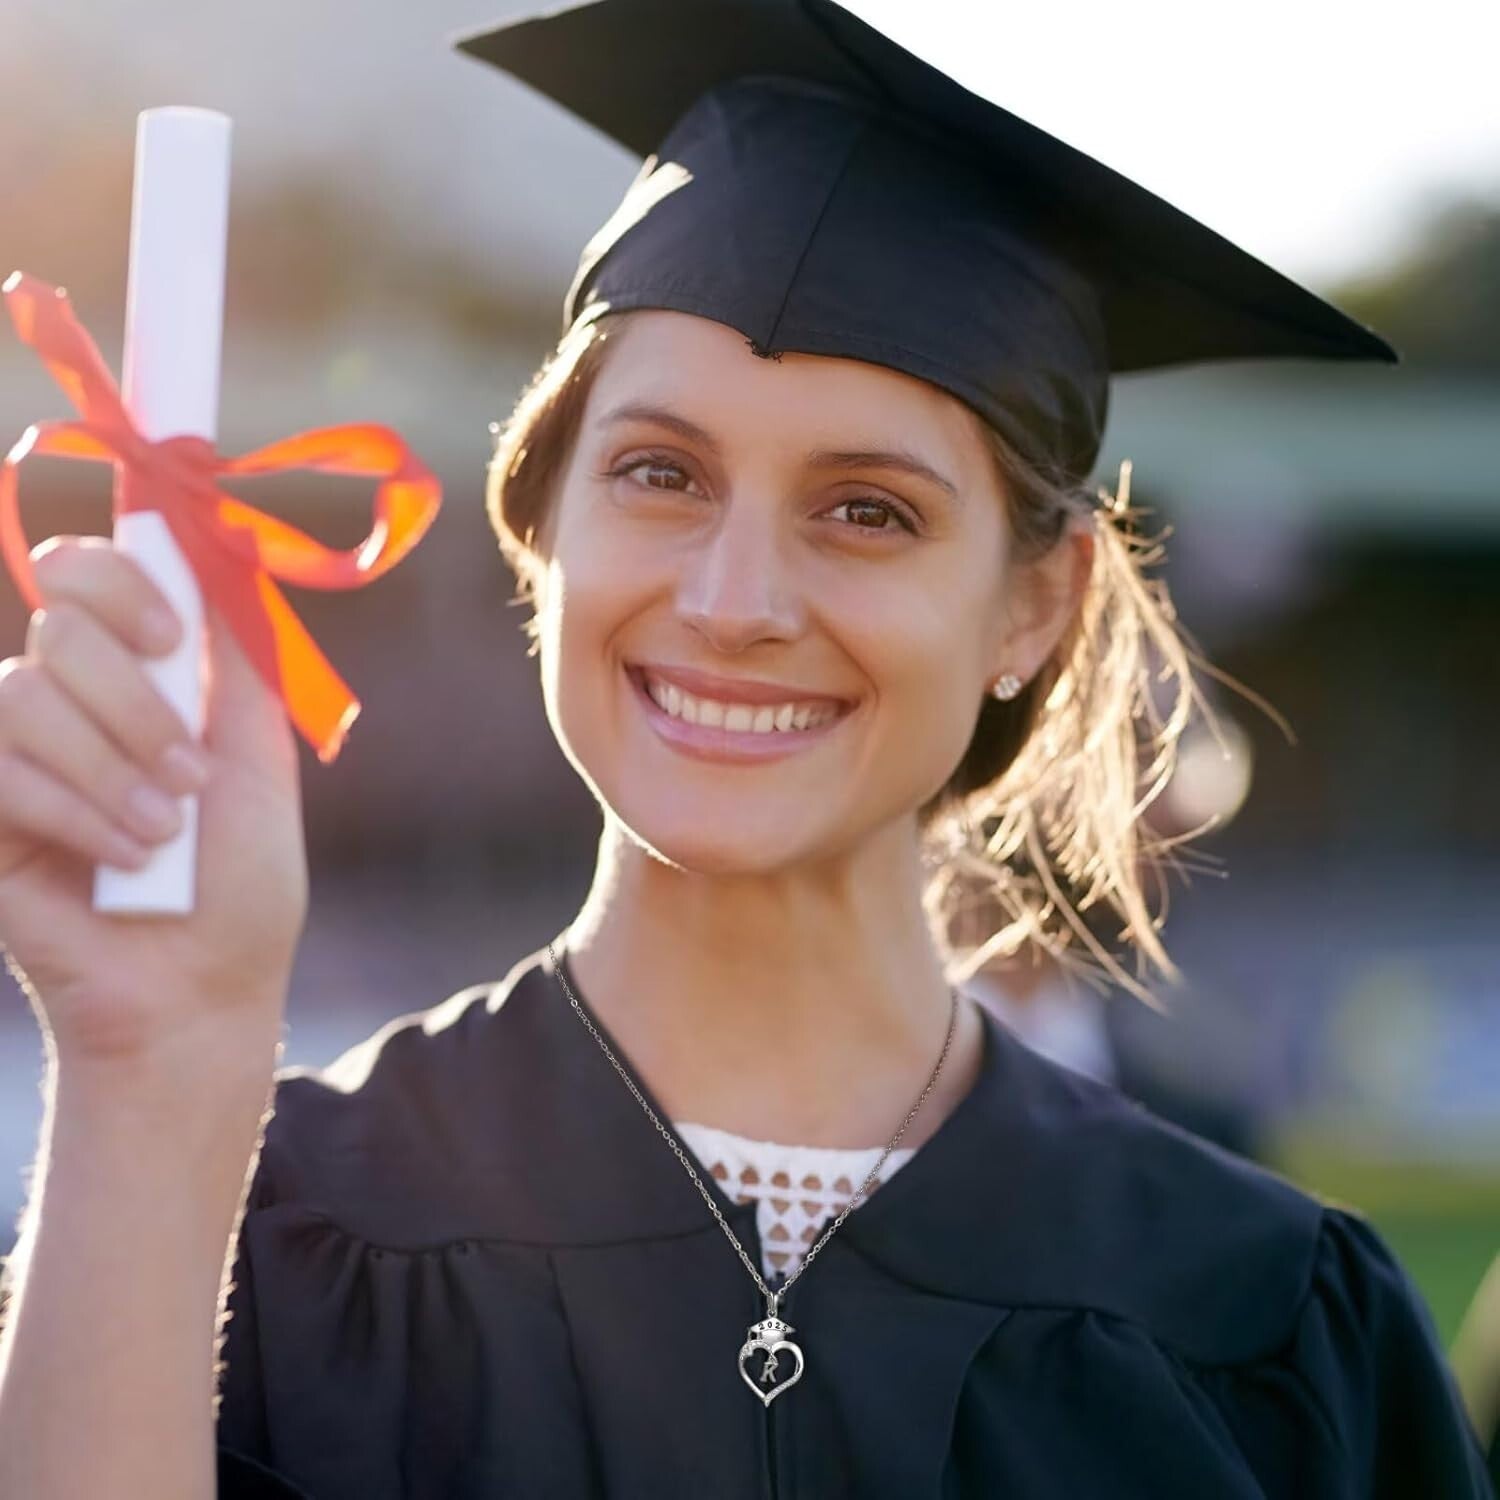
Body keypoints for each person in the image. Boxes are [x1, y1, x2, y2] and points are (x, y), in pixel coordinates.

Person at [0, 1, 1492, 1495]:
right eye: (660, 472)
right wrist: (149, 1066)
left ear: (1038, 606)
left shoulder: (1272, 1330)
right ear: (542, 526)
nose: (731, 602)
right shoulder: (244, 1243)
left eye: (867, 509)